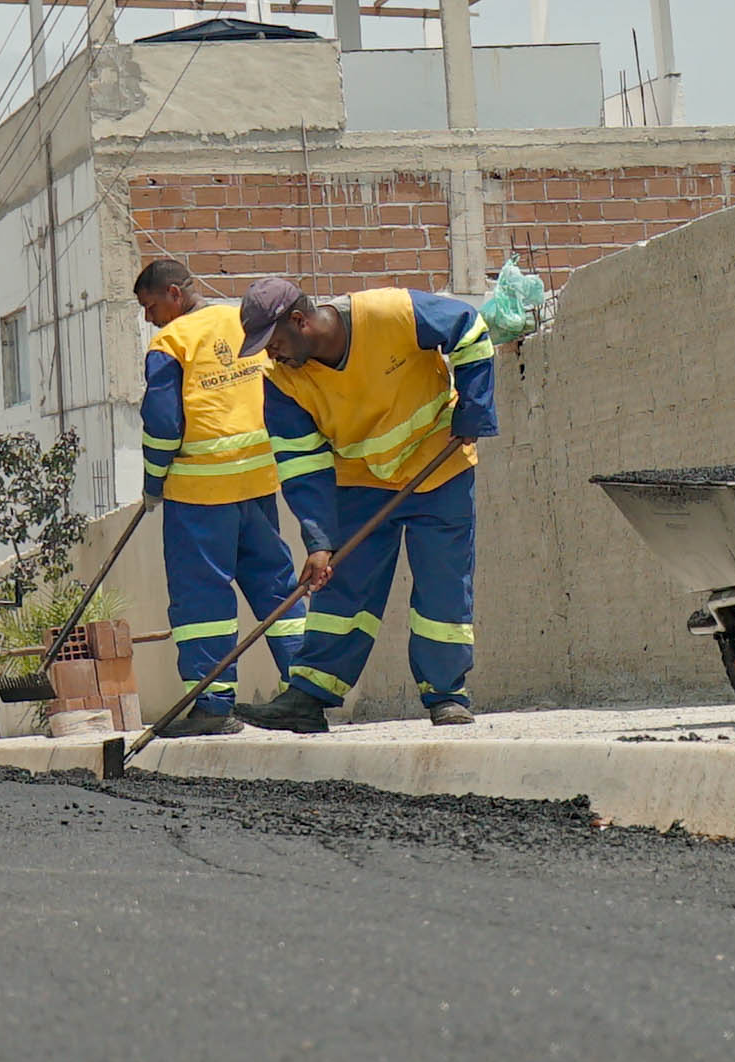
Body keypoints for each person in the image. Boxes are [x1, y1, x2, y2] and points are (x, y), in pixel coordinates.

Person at [234, 274, 498, 732]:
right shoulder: (282, 383)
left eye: (273, 342)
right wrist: (319, 541)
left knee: (443, 585)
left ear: (300, 321)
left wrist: (473, 410)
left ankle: (446, 697)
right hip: (359, 482)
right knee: (344, 591)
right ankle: (309, 696)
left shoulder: (390, 313)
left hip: (438, 468)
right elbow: (301, 465)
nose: (269, 354)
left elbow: (470, 330)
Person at [130, 256, 298, 737]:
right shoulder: (244, 322)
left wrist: (153, 481)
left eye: (150, 305)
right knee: (276, 586)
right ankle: (307, 692)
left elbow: (162, 423)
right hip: (259, 483)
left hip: (200, 493)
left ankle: (213, 704)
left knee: (201, 599)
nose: (149, 318)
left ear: (174, 296)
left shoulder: (171, 342)